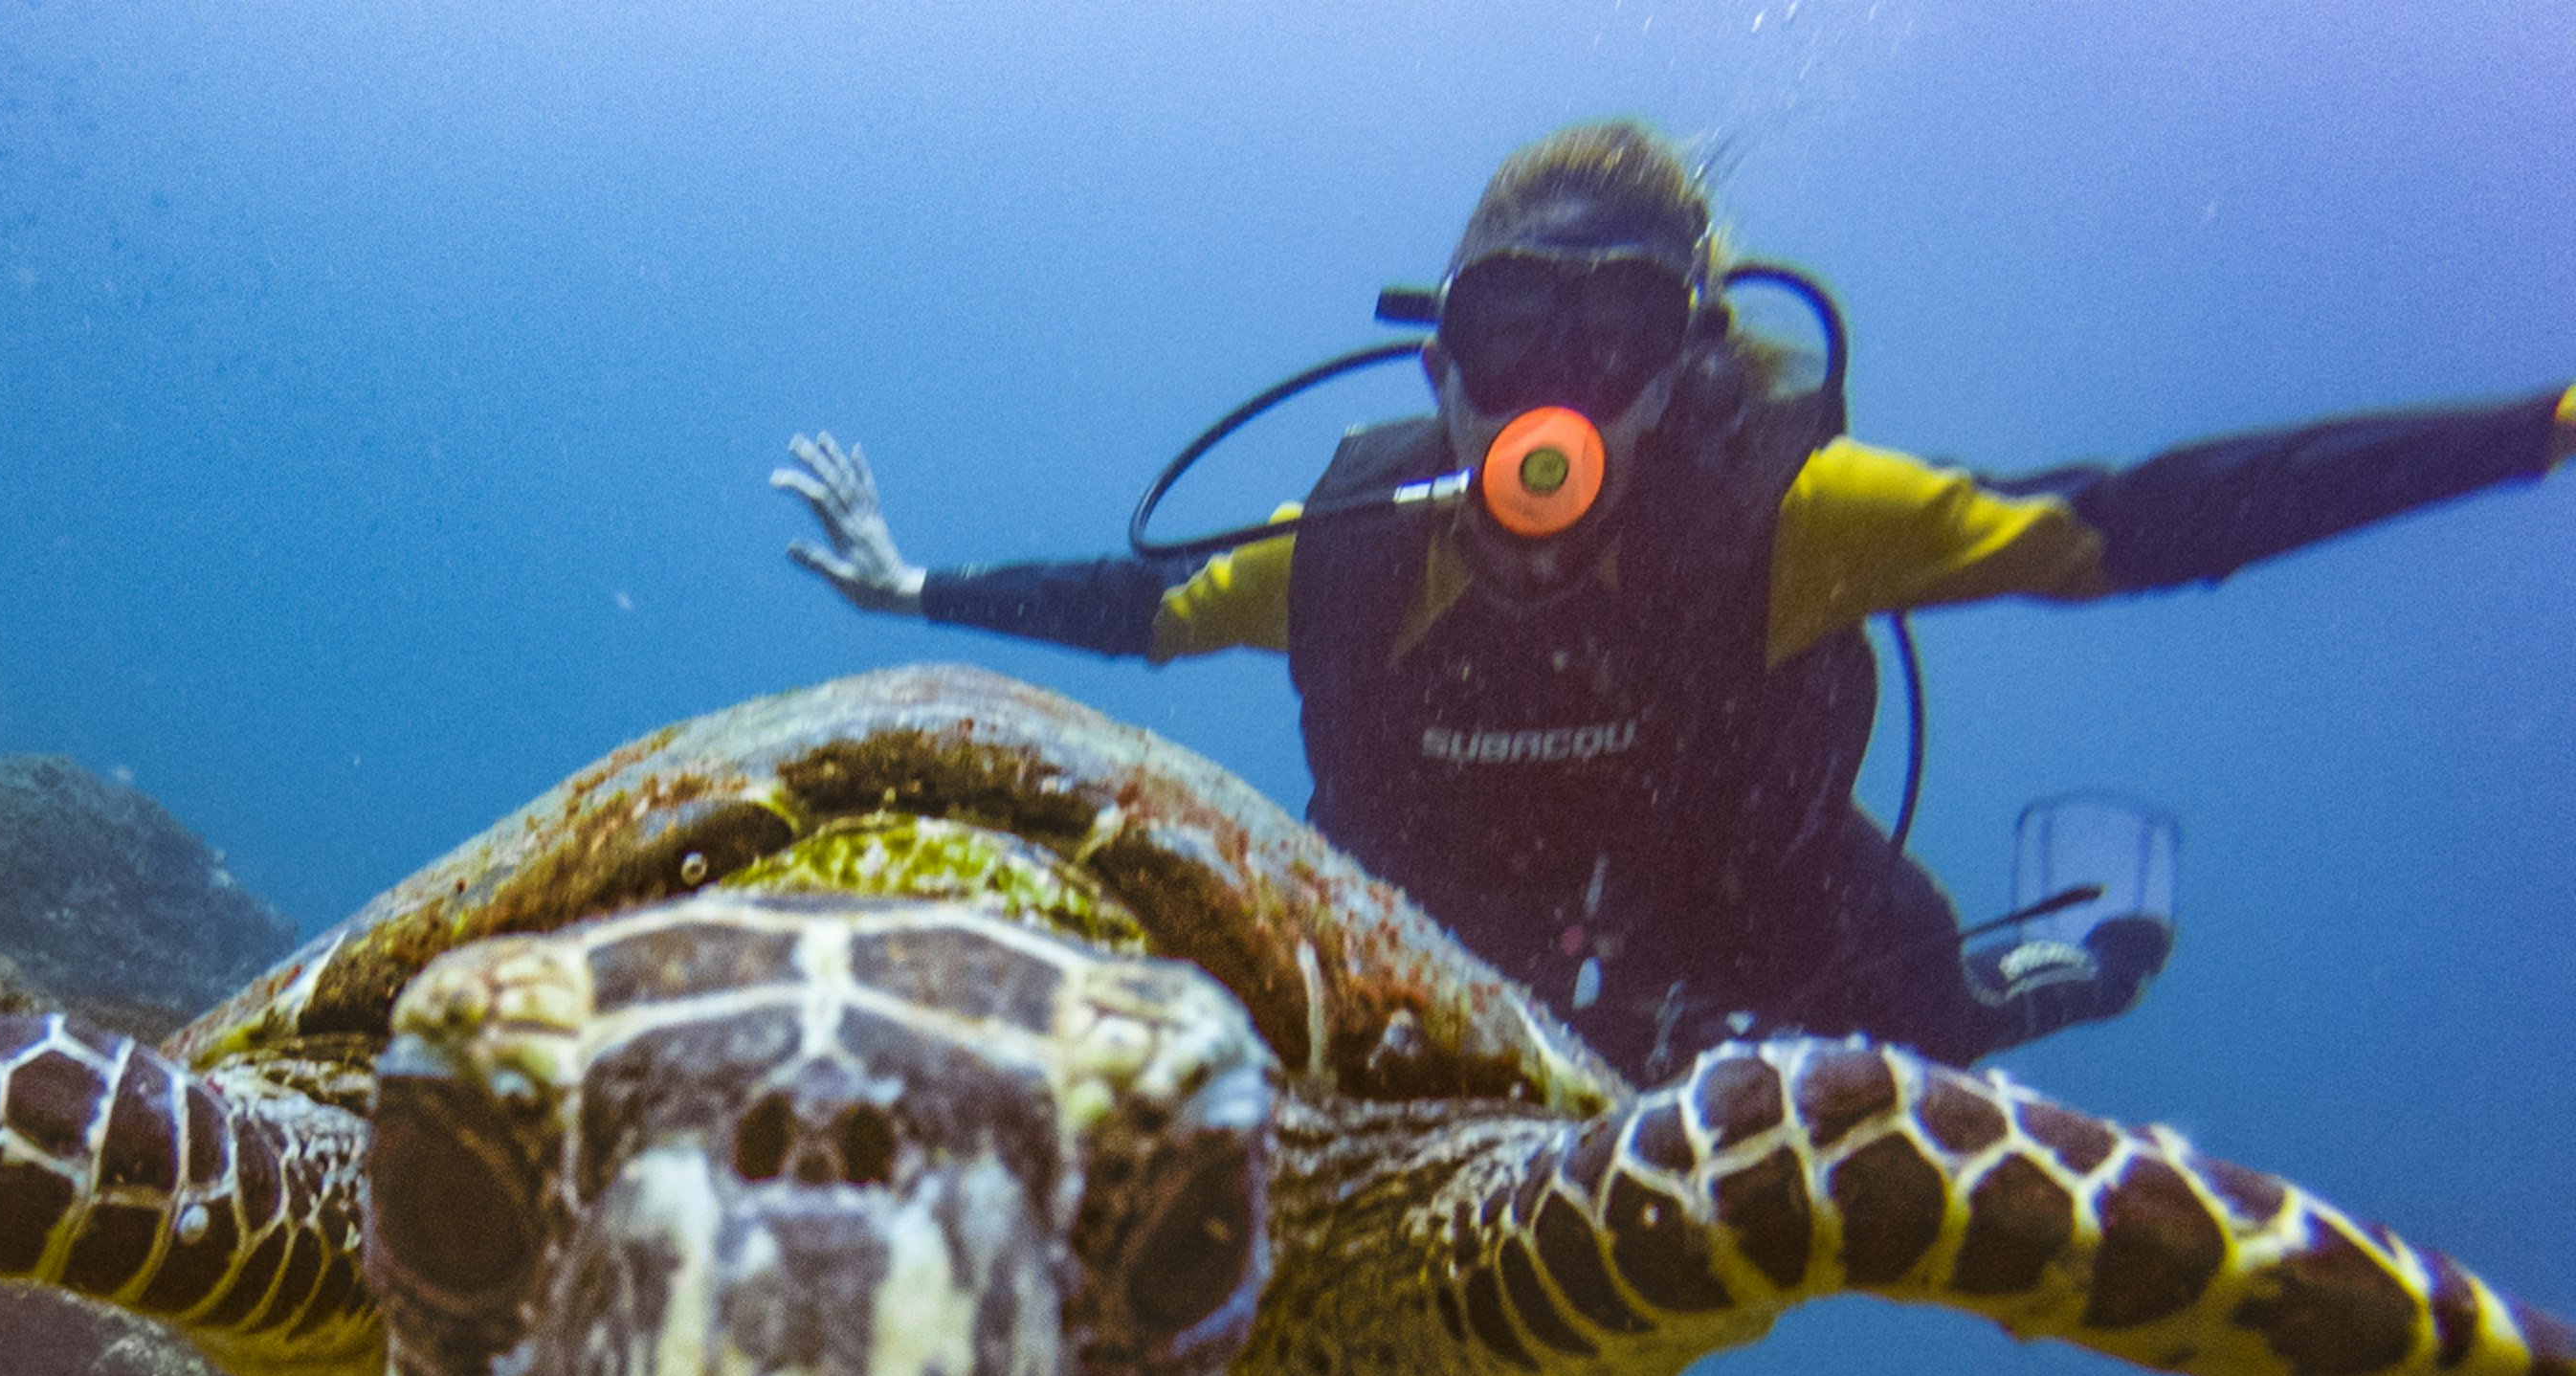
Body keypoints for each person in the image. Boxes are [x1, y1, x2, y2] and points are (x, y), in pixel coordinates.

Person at [774, 120, 2576, 1076]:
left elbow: (2125, 526)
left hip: (1746, 930)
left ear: (1684, 354)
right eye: (1513, 323)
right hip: (1450, 948)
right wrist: (919, 584)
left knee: (1930, 1047)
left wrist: (2529, 433)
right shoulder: (1363, 543)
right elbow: (1141, 605)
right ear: (1445, 348)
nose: (1554, 380)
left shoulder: (1791, 518)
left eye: (1615, 326)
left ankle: (2073, 957)